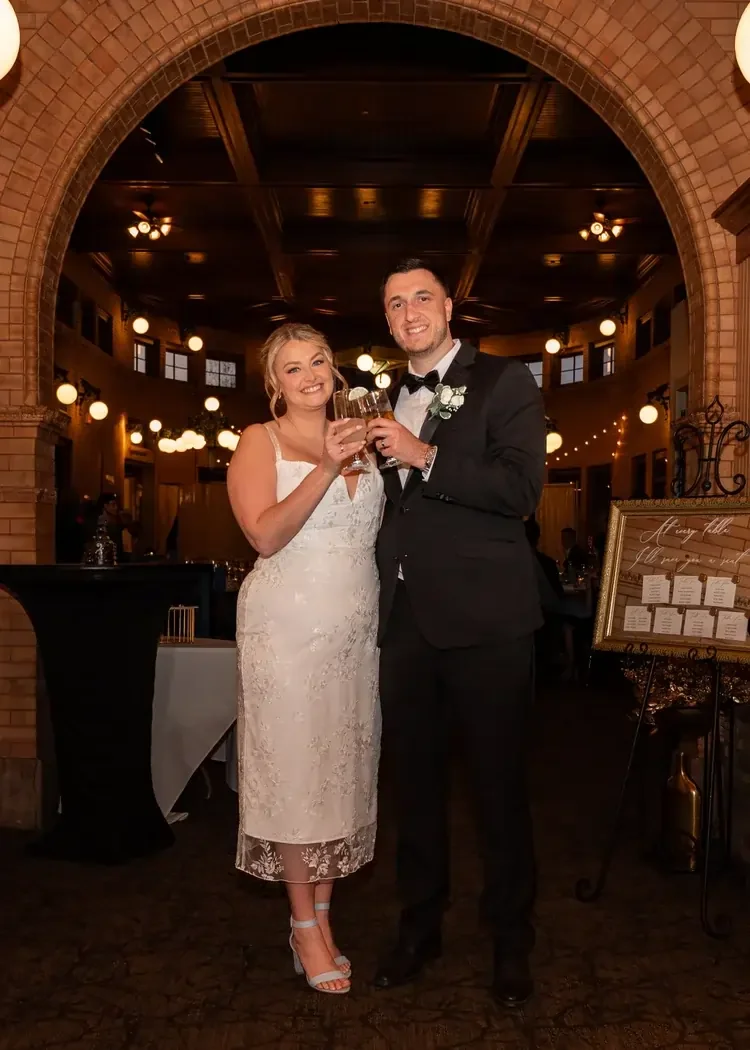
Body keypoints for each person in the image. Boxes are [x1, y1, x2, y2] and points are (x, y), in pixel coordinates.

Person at [367, 259, 545, 1006]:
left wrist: (426, 454)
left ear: (449, 306)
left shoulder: (506, 383)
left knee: (499, 791)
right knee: (414, 789)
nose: (409, 311)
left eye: (421, 298)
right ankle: (420, 925)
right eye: (395, 302)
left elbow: (521, 491)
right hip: (406, 624)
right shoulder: (377, 397)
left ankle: (511, 941)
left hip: (488, 623)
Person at [227, 323, 384, 996]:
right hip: (284, 633)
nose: (311, 373)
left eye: (318, 359)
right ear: (275, 385)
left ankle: (322, 915)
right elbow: (263, 534)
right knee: (294, 775)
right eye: (293, 368)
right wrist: (324, 465)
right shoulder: (257, 442)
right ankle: (301, 925)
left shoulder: (367, 432)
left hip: (354, 634)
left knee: (339, 770)